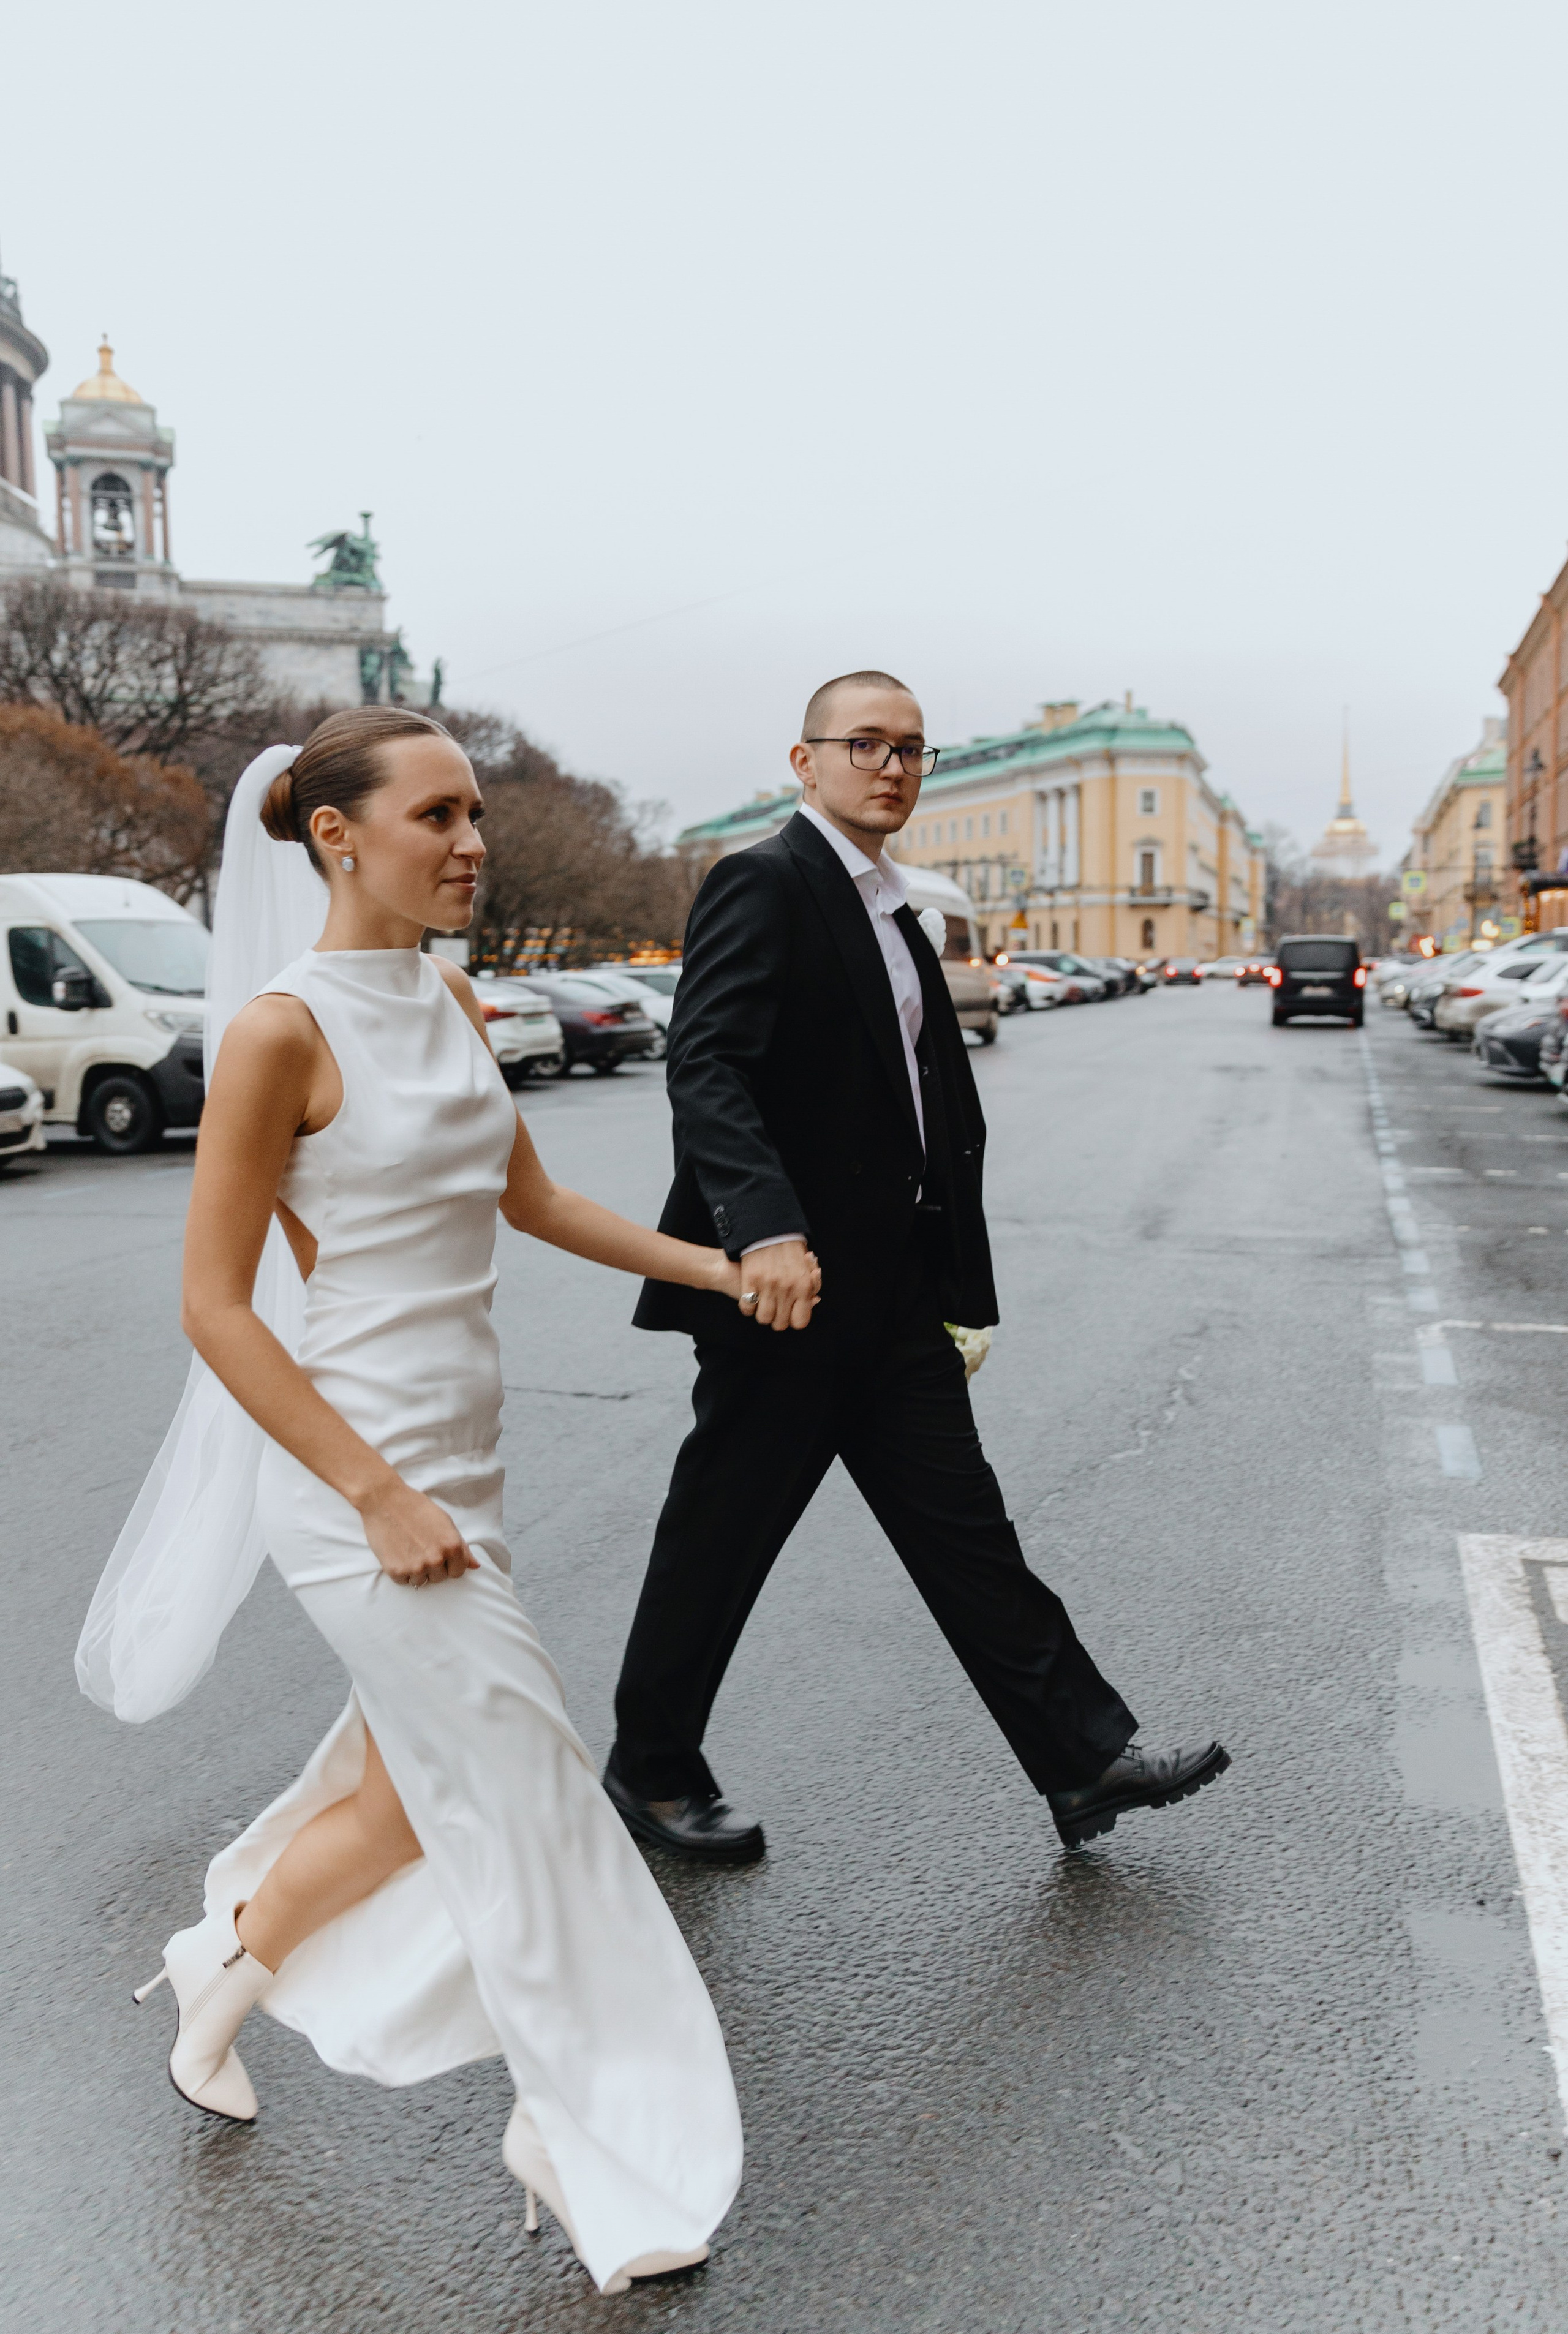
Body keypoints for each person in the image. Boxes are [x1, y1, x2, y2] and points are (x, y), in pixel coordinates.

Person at [78, 709, 764, 2298]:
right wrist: (374, 1491)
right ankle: (576, 2117)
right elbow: (218, 1307)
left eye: (476, 817)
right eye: (438, 814)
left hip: (467, 1465)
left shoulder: (450, 997)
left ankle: (218, 1982)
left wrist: (715, 1268)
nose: (472, 843)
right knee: (535, 1789)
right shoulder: (277, 1032)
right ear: (336, 835)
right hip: (352, 1481)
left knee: (401, 1809)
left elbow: (535, 1201)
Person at [605, 670, 1229, 1862]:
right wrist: (765, 1229)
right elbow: (709, 1068)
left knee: (968, 1535)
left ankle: (1078, 1760)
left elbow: (925, 1111)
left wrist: (951, 1285)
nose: (891, 766)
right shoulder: (766, 880)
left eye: (911, 750)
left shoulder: (897, 908)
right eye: (865, 744)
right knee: (719, 1540)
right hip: (782, 1296)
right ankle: (650, 1769)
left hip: (887, 1297)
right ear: (805, 761)